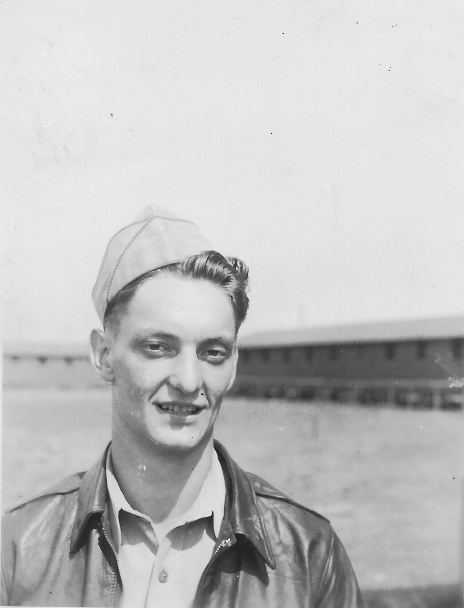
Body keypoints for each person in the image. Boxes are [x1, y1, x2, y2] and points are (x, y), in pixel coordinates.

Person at [1, 205, 365, 608]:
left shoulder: (310, 553)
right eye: (158, 347)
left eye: (212, 352)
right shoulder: (16, 549)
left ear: (233, 365)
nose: (189, 381)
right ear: (104, 356)